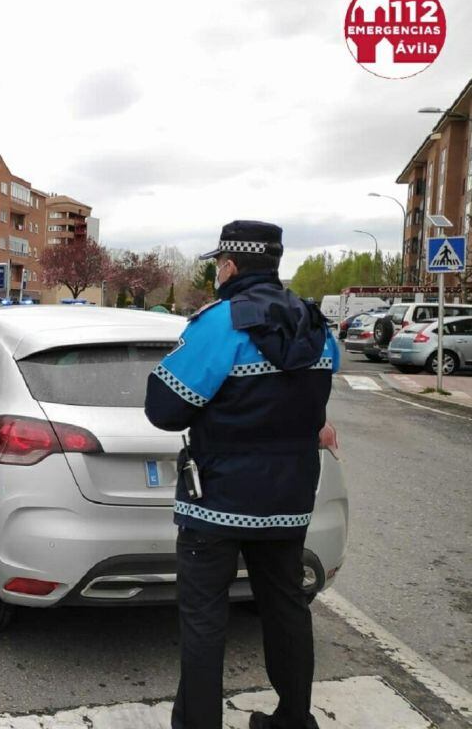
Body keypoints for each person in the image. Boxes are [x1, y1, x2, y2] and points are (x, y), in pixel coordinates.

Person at [143, 221, 340, 729]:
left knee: (205, 619)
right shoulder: (315, 325)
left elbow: (164, 410)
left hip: (216, 499)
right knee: (287, 608)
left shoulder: (219, 324)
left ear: (229, 266)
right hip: (290, 498)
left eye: (217, 264)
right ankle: (294, 720)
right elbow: (314, 397)